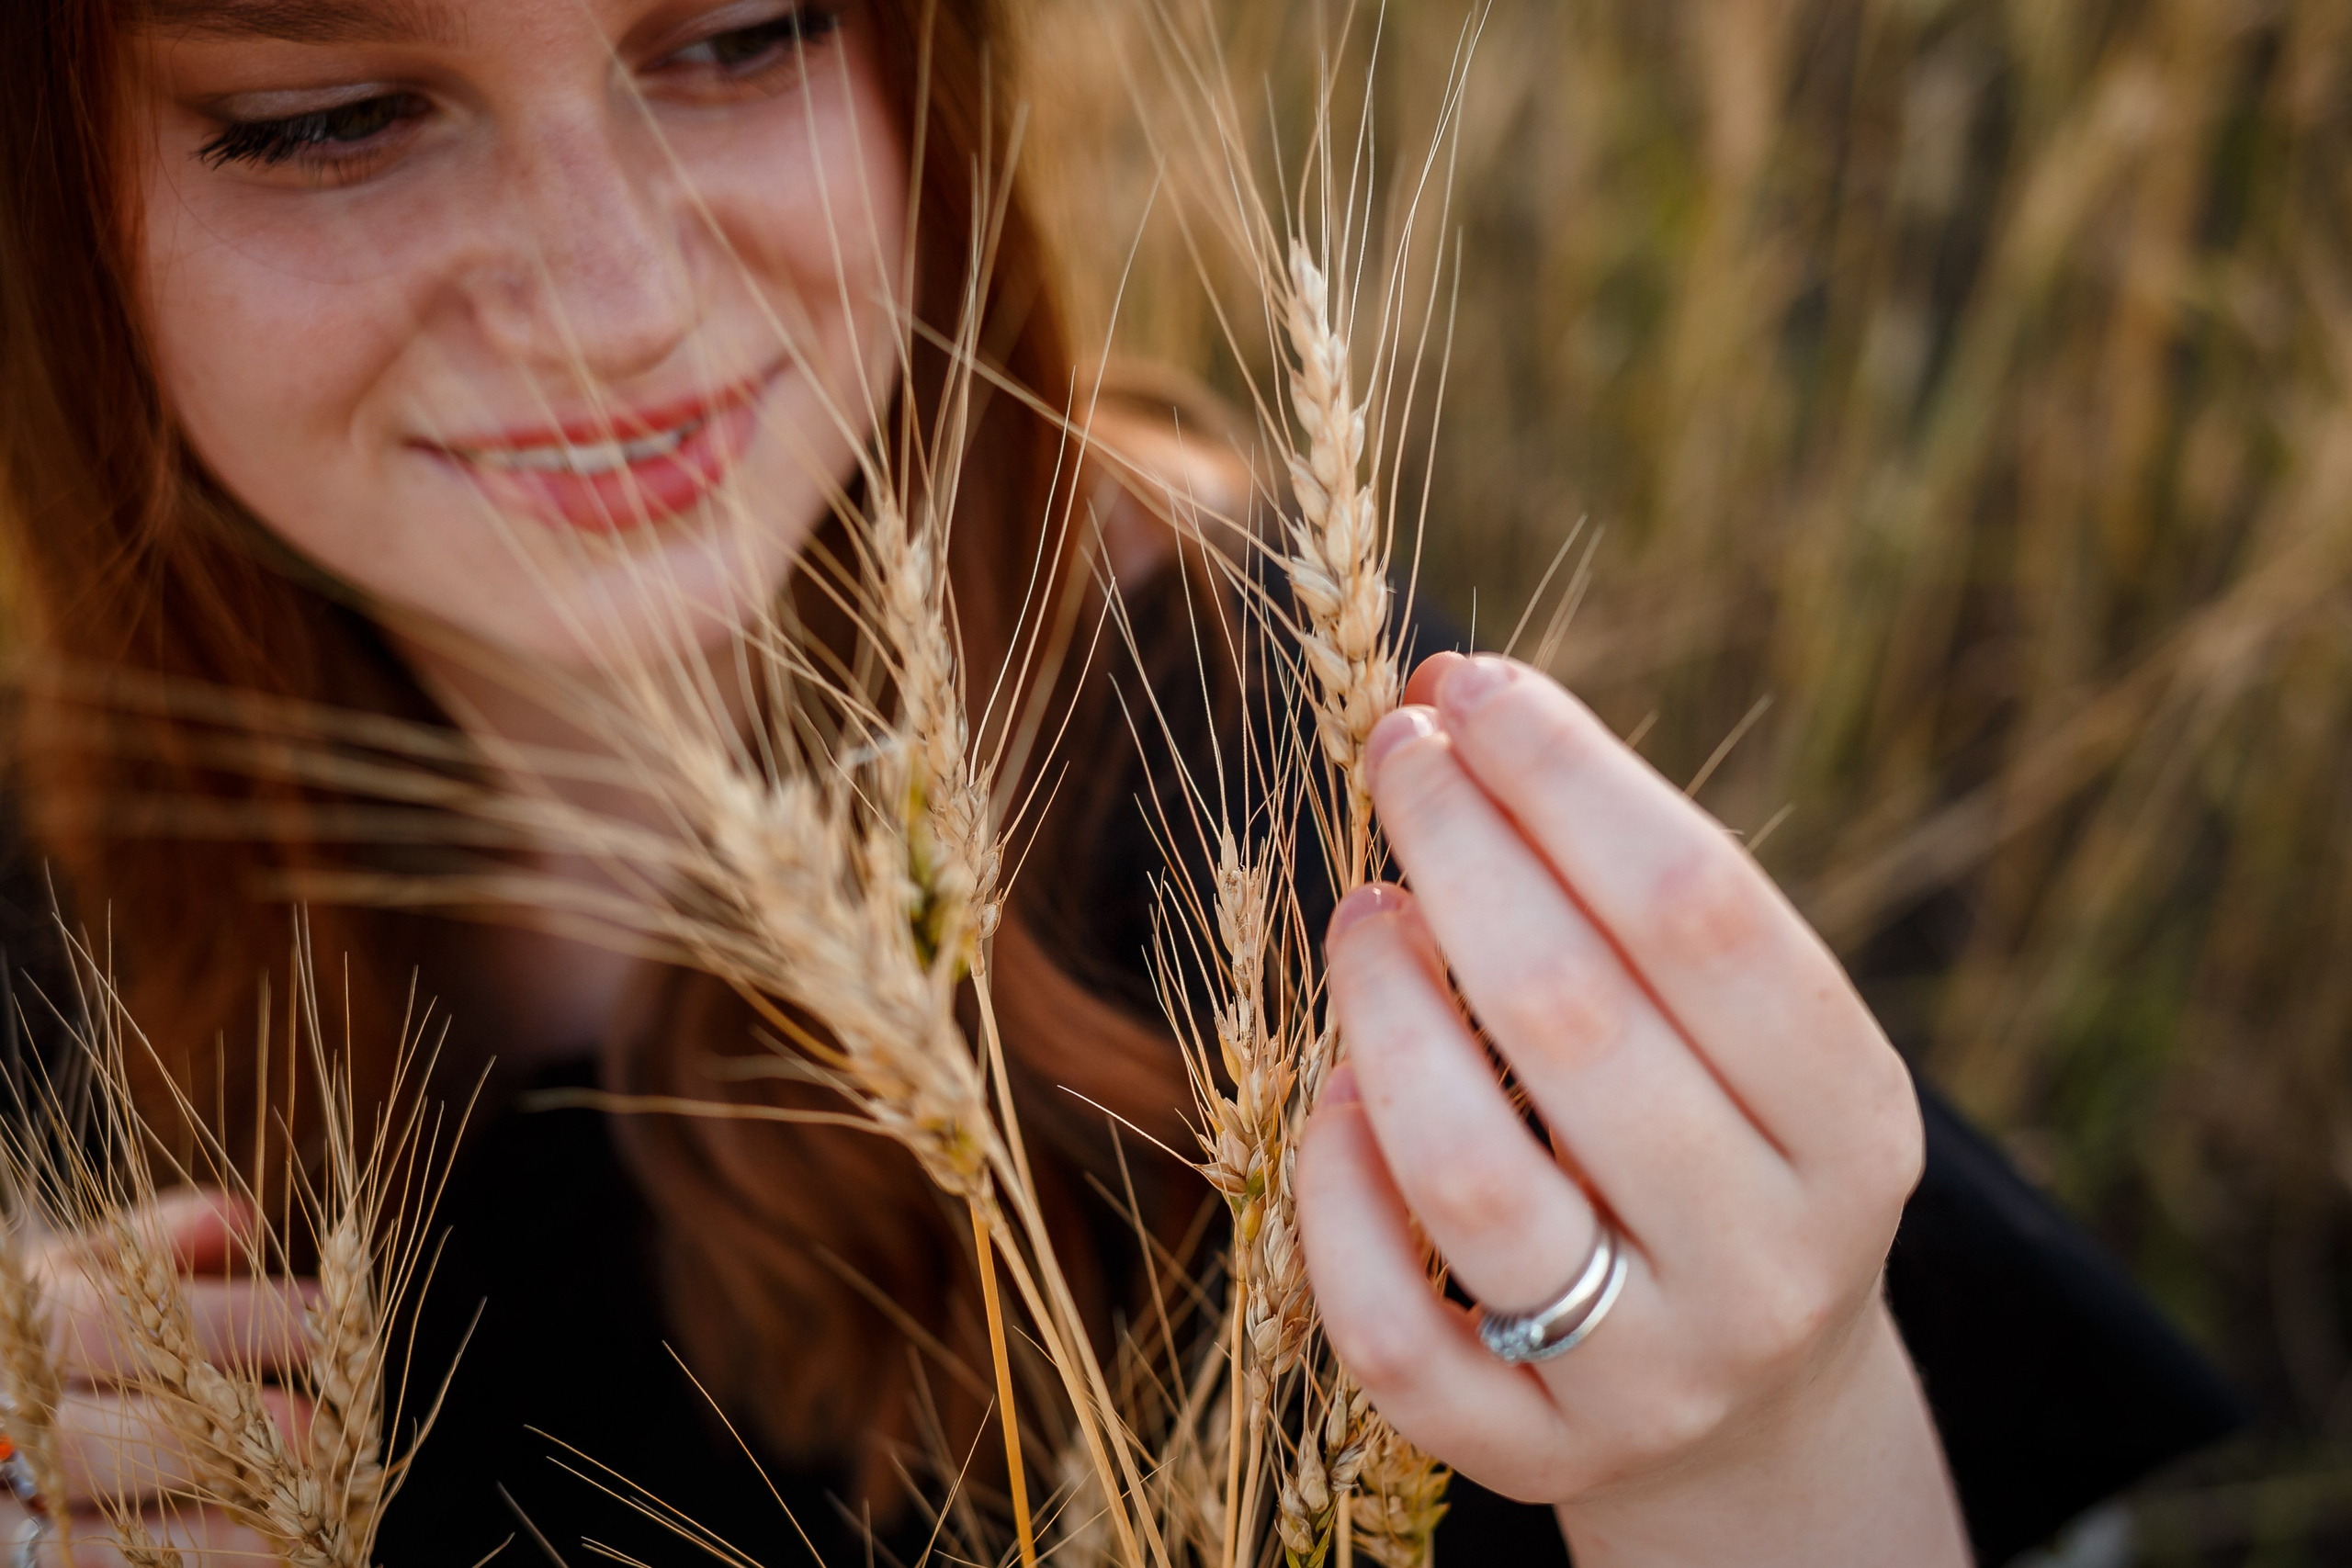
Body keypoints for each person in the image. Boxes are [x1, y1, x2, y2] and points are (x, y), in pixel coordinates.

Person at [0, 2, 2238, 1563]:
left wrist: (1768, 1432)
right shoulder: (43, 907)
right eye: (326, 118)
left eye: (743, 32)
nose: (608, 291)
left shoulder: (1308, 807)